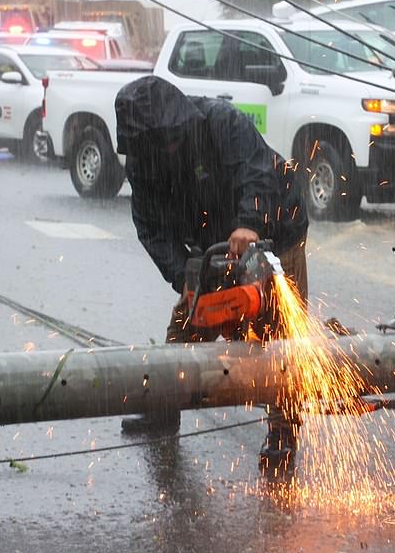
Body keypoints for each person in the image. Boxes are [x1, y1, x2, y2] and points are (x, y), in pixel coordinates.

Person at [115, 75, 309, 432]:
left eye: (173, 138)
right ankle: (163, 408)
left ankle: (284, 430)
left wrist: (250, 223)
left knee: (279, 334)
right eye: (160, 142)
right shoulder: (143, 163)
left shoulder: (222, 121)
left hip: (275, 226)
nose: (170, 147)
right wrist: (184, 276)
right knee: (184, 330)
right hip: (213, 241)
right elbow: (152, 228)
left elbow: (256, 170)